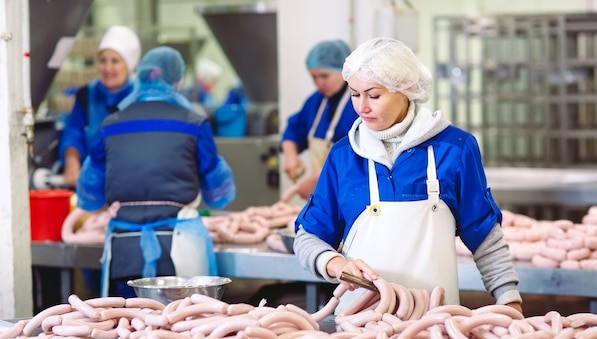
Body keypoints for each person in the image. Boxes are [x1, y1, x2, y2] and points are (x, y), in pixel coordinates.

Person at [293, 37, 523, 315]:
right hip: (359, 326)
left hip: (436, 325)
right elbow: (308, 238)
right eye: (354, 94)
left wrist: (510, 302)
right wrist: (337, 265)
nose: (362, 107)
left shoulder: (454, 149)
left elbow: (486, 238)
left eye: (374, 95)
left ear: (407, 89)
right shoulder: (344, 155)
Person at [76, 46, 236, 298]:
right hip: (181, 248)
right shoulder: (194, 123)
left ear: (138, 76)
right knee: (184, 330)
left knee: (127, 328)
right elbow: (219, 195)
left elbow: (89, 196)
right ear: (178, 80)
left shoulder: (110, 125)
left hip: (125, 248)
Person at [58, 25, 141, 188]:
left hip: (132, 184)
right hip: (92, 184)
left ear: (128, 65)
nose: (108, 68)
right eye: (103, 61)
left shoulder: (139, 96)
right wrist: (71, 160)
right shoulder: (86, 94)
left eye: (115, 61)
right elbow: (73, 132)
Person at [280, 39, 358, 201]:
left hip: (351, 194)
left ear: (344, 70)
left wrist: (321, 180)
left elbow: (358, 157)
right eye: (313, 77)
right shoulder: (315, 102)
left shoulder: (358, 104)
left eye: (324, 76)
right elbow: (295, 128)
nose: (318, 83)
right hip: (323, 197)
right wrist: (290, 155)